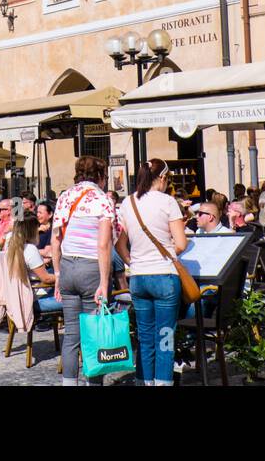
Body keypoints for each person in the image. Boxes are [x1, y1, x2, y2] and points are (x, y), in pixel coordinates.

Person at [116, 159, 187, 386]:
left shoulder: (128, 202)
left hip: (138, 277)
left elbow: (120, 244)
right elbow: (181, 244)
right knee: (165, 337)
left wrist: (133, 261)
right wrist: (164, 255)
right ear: (163, 178)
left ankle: (142, 382)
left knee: (144, 338)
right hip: (164, 276)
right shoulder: (168, 202)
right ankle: (163, 382)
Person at [51, 156, 115, 387]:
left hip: (67, 266)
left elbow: (55, 239)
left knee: (71, 337)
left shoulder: (64, 197)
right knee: (93, 336)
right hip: (90, 268)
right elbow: (103, 245)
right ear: (100, 176)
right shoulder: (103, 199)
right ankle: (93, 384)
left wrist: (57, 275)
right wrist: (105, 283)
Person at [7, 215, 59, 313]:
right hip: (34, 298)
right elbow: (46, 279)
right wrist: (63, 277)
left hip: (14, 297)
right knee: (74, 298)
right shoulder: (30, 249)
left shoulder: (9, 247)